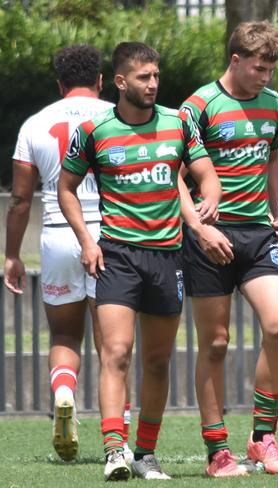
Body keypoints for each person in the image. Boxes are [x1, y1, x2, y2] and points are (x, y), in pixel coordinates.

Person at [58, 41, 220, 481]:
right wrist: (87, 241)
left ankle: (145, 452)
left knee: (157, 360)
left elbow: (206, 174)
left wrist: (210, 202)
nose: (153, 84)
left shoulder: (178, 124)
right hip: (118, 256)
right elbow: (66, 188)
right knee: (116, 352)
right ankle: (115, 449)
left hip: (168, 257)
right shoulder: (95, 130)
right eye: (144, 77)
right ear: (120, 81)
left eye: (156, 76)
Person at [179, 21, 278, 477]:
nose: (266, 77)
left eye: (271, 69)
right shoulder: (199, 106)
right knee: (216, 343)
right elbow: (174, 174)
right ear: (235, 60)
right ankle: (217, 450)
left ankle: (263, 436)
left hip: (257, 233)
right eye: (259, 68)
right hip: (209, 236)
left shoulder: (275, 104)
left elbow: (271, 162)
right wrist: (199, 229)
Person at [3, 44, 116, 463]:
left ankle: (64, 393)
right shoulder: (116, 115)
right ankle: (115, 437)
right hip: (109, 234)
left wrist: (12, 255)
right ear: (102, 80)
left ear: (59, 83)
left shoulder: (35, 123)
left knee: (65, 335)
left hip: (56, 233)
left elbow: (18, 199)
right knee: (113, 347)